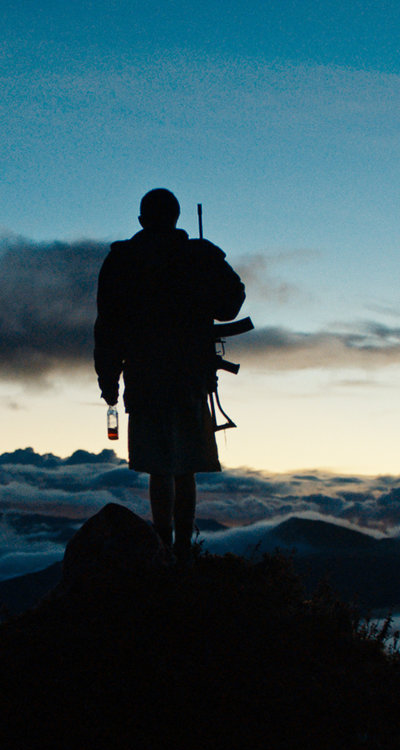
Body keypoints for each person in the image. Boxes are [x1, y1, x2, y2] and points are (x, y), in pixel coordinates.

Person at [94, 188, 246, 564]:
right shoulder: (198, 255)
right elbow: (232, 302)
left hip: (146, 378)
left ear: (143, 219)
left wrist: (108, 380)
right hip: (191, 376)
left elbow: (108, 327)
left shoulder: (123, 260)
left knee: (159, 467)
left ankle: (164, 547)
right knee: (186, 465)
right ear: (176, 218)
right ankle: (181, 550)